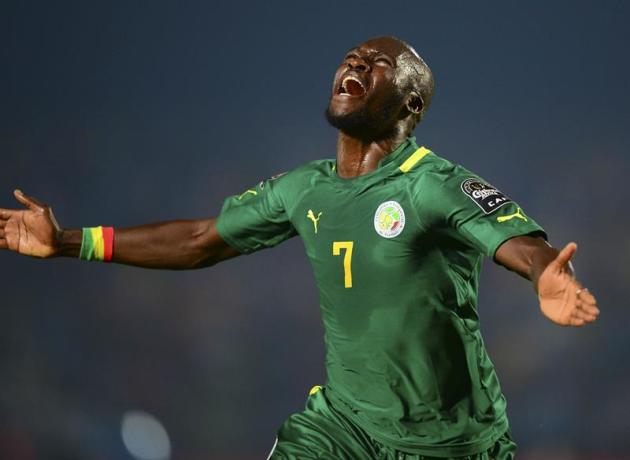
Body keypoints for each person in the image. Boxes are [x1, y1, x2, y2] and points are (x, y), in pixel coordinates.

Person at [0, 36, 599, 460]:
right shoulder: (302, 188)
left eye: (380, 63)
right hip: (342, 428)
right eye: (353, 57)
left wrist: (547, 277)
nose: (358, 62)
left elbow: (520, 242)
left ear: (410, 105)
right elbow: (201, 240)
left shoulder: (433, 184)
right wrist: (68, 242)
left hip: (451, 442)